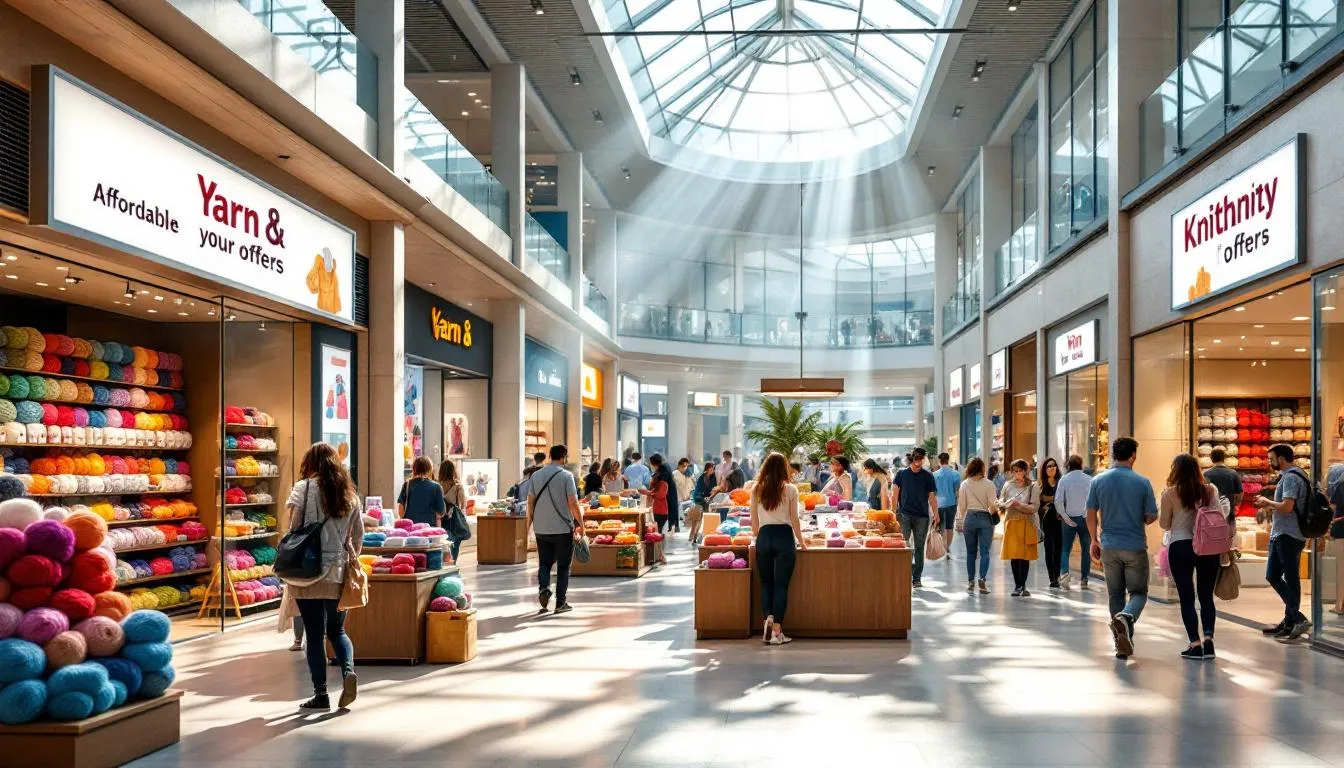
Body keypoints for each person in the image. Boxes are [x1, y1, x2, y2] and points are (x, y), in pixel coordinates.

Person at [284, 442, 364, 711]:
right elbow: (358, 535)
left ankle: (321, 695)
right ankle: (348, 672)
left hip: (308, 573)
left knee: (314, 635)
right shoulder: (349, 495)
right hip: (338, 572)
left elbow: (293, 527)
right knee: (338, 631)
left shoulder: (303, 488)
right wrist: (347, 553)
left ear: (310, 463)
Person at [1086, 437, 1159, 659]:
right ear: (1133, 456)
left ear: (1112, 455)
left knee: (1115, 595)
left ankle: (1121, 644)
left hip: (1108, 545)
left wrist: (1093, 540)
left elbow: (1090, 513)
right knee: (1138, 593)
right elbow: (1150, 516)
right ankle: (1127, 618)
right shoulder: (1142, 482)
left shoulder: (1098, 481)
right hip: (1135, 545)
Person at [1160, 454, 1223, 660]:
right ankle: (1209, 641)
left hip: (1180, 546)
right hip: (1207, 547)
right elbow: (1218, 515)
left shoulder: (1170, 493)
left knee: (1187, 597)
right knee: (1206, 597)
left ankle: (1194, 644)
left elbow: (1164, 524)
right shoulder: (1210, 490)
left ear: (1175, 470)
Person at [1253, 444, 1312, 639]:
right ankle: (1289, 622)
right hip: (1286, 533)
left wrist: (1267, 502)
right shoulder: (1298, 475)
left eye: (1272, 458)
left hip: (1287, 534)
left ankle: (1298, 618)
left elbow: (1287, 507)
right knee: (1287, 577)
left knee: (1277, 576)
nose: (1270, 462)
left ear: (1281, 458)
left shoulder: (1290, 477)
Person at [750, 452, 809, 646]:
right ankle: (777, 630)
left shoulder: (757, 489)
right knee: (781, 586)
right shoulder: (790, 489)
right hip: (784, 537)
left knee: (766, 584)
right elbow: (794, 519)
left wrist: (755, 538)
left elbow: (754, 523)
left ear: (765, 467)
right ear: (784, 468)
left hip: (764, 537)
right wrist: (802, 542)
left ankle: (767, 617)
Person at [526, 444, 585, 614]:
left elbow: (530, 502)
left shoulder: (536, 475)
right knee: (563, 566)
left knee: (544, 562)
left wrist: (529, 525)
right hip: (562, 528)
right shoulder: (567, 476)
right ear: (564, 457)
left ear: (550, 455)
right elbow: (573, 503)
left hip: (541, 528)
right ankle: (560, 603)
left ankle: (544, 588)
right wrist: (581, 524)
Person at [891, 447, 939, 588]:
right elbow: (894, 493)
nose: (919, 462)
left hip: (922, 517)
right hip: (905, 515)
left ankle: (916, 578)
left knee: (919, 547)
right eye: (917, 458)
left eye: (921, 459)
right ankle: (905, 573)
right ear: (913, 458)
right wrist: (894, 512)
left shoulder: (928, 476)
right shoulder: (901, 474)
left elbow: (931, 497)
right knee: (905, 545)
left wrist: (936, 514)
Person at [955, 457, 998, 594]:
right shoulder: (989, 484)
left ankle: (970, 581)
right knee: (985, 552)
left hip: (970, 519)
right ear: (983, 469)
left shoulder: (965, 484)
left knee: (971, 553)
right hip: (985, 518)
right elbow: (992, 505)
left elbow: (962, 505)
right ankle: (982, 580)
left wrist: (960, 519)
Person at [999, 459, 1041, 597]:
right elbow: (1001, 501)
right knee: (1014, 555)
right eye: (1015, 471)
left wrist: (1018, 505)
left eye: (1021, 470)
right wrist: (1002, 504)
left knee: (1024, 556)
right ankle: (1017, 585)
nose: (1018, 473)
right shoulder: (1007, 485)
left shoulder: (1032, 486)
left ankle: (1023, 585)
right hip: (1011, 522)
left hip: (1027, 522)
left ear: (1026, 471)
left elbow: (1035, 507)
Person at [1055, 455, 1094, 589]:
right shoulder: (1089, 479)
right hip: (1085, 518)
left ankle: (1065, 574)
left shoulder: (1064, 480)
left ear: (1068, 465)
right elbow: (1092, 500)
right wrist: (1086, 514)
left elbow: (1058, 501)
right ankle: (1084, 579)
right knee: (1086, 549)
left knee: (1065, 549)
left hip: (1069, 518)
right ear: (1081, 464)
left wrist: (1065, 517)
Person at [397, 456, 445, 527]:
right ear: (429, 469)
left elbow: (401, 508)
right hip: (429, 528)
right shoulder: (436, 487)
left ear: (414, 468)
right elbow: (441, 511)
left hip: (410, 527)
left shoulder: (407, 485)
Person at [1038, 457, 1063, 588]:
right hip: (1047, 520)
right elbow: (1038, 502)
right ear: (1045, 469)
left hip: (1059, 519)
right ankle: (1052, 578)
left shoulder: (1061, 482)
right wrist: (1052, 500)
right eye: (1049, 466)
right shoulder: (1042, 485)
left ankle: (1057, 575)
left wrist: (1050, 499)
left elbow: (1063, 499)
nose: (1052, 468)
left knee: (1058, 549)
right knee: (1048, 549)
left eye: (1054, 465)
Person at [437, 458, 467, 563]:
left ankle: (443, 563)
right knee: (455, 545)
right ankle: (452, 564)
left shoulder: (436, 485)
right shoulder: (458, 487)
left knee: (442, 544)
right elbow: (463, 505)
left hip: (439, 519)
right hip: (454, 520)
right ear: (453, 471)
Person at [933, 453, 961, 554]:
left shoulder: (935, 475)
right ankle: (947, 547)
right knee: (949, 526)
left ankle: (940, 545)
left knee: (939, 525)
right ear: (948, 460)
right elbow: (957, 491)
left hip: (939, 503)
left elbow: (933, 491)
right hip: (951, 502)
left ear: (939, 461)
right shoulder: (956, 474)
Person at [1203, 448, 1243, 514]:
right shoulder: (1233, 473)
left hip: (1211, 512)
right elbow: (1240, 493)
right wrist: (1237, 505)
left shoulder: (1206, 474)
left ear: (1211, 459)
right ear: (1223, 458)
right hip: (1230, 510)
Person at [690, 460, 717, 544]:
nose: (713, 470)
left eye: (713, 469)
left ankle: (699, 536)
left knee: (704, 518)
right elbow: (698, 490)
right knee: (699, 519)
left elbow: (713, 488)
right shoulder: (702, 477)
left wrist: (709, 496)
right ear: (708, 469)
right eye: (712, 469)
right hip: (699, 500)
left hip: (707, 500)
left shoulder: (713, 477)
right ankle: (694, 536)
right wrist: (704, 497)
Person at [673, 458, 695, 533]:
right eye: (683, 466)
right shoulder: (675, 474)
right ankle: (676, 527)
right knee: (678, 518)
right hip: (677, 500)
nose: (685, 468)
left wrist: (691, 476)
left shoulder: (689, 475)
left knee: (688, 520)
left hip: (687, 500)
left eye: (687, 466)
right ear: (679, 466)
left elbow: (692, 486)